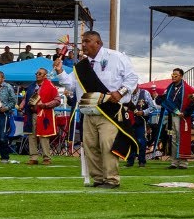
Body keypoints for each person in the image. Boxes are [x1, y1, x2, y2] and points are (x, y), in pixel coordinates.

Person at [54, 31, 139, 189]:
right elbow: (71, 85)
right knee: (90, 146)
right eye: (82, 42)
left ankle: (112, 179)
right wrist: (60, 71)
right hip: (88, 113)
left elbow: (132, 77)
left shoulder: (116, 57)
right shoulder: (81, 66)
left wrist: (120, 92)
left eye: (87, 41)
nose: (83, 45)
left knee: (107, 144)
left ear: (98, 43)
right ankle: (98, 178)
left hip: (109, 112)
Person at [159, 69, 194, 169]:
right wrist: (158, 98)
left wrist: (185, 112)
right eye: (172, 75)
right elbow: (164, 99)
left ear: (181, 76)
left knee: (182, 138)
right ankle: (174, 162)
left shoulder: (187, 89)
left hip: (183, 117)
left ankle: (183, 162)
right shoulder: (170, 88)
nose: (173, 77)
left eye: (176, 75)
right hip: (173, 116)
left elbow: (193, 103)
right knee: (174, 139)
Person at [26, 66, 58, 165]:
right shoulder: (31, 86)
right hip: (32, 114)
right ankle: (33, 157)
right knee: (31, 135)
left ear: (45, 76)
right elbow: (26, 98)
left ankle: (46, 158)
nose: (37, 75)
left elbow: (57, 100)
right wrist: (22, 106)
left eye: (40, 73)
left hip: (44, 114)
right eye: (37, 73)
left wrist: (45, 105)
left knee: (44, 136)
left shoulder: (50, 86)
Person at [127, 85, 155, 168]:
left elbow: (152, 107)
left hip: (141, 121)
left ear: (137, 86)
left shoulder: (145, 93)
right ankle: (130, 161)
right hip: (129, 121)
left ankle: (142, 161)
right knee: (130, 140)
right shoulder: (128, 94)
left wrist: (143, 112)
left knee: (142, 141)